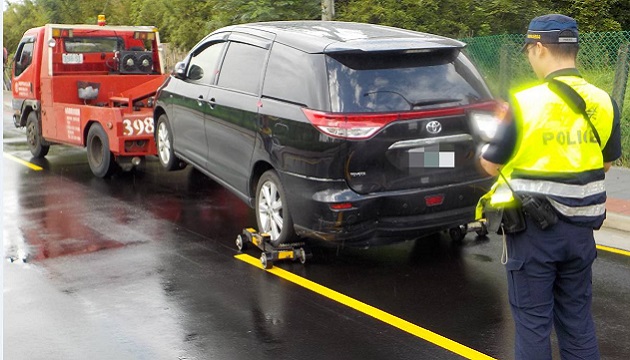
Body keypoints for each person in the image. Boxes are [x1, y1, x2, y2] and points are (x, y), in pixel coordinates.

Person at [478, 14, 622, 360]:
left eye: (529, 50)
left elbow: (490, 163)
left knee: (532, 324)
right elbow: (603, 162)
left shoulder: (525, 103)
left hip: (532, 234)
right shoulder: (605, 102)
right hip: (580, 231)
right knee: (577, 323)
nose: (530, 57)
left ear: (540, 48)